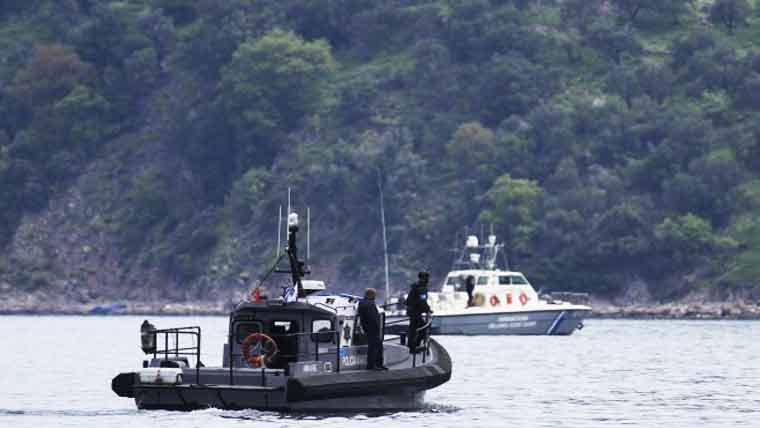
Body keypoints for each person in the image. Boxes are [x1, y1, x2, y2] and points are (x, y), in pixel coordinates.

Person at [358, 288, 386, 370]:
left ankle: (377, 364)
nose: (375, 296)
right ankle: (373, 365)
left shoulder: (363, 302)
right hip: (372, 329)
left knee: (376, 346)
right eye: (374, 295)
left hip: (368, 328)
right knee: (374, 347)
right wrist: (377, 326)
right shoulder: (369, 304)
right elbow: (372, 318)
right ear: (370, 295)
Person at [406, 271, 432, 353]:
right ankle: (414, 347)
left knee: (413, 329)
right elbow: (422, 300)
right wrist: (428, 309)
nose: (428, 280)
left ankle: (412, 346)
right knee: (422, 329)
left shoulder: (416, 286)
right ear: (423, 278)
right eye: (427, 278)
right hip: (415, 312)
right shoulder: (421, 288)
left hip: (412, 311)